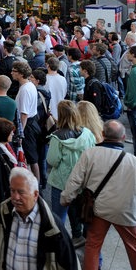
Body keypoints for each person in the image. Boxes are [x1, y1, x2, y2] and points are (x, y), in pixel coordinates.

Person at [61, 120, 136, 270]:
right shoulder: (132, 160)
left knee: (92, 247)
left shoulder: (90, 154)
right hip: (124, 211)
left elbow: (74, 181)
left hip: (98, 210)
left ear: (102, 134)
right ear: (123, 137)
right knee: (135, 249)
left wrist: (65, 198)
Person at [0, 167, 83, 270]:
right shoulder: (3, 213)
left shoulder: (53, 227)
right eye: (12, 191)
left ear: (35, 194)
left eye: (21, 192)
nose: (15, 197)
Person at [46, 100, 96, 246]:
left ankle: (59, 245)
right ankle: (78, 236)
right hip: (81, 181)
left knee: (58, 217)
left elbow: (52, 160)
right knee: (78, 212)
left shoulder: (57, 137)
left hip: (61, 182)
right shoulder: (87, 133)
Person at [13, 61, 41, 180]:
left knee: (32, 158)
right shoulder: (29, 85)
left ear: (20, 73)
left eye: (14, 71)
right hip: (31, 123)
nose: (11, 73)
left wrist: (20, 133)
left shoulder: (25, 89)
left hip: (27, 126)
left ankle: (36, 186)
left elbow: (24, 114)